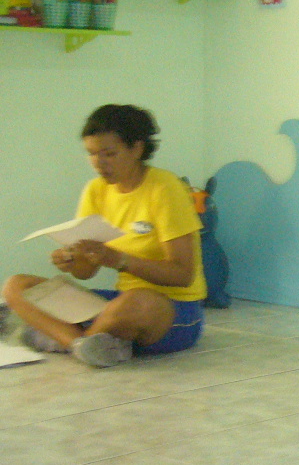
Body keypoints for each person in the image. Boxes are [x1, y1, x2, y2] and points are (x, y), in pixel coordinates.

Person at [3, 104, 206, 368]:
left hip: (172, 309)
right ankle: (88, 344)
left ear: (137, 148)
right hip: (117, 305)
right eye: (91, 154)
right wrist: (73, 261)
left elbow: (182, 275)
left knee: (139, 301)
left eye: (109, 153)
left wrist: (119, 260)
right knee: (16, 286)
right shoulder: (96, 190)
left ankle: (67, 339)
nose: (99, 163)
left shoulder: (165, 188)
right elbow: (86, 273)